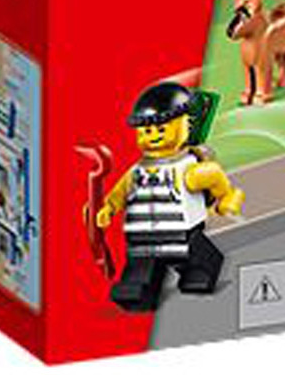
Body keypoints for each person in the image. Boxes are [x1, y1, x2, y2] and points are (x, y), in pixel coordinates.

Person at [88, 81, 243, 312]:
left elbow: (214, 176)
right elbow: (119, 193)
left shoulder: (186, 167)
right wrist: (109, 209)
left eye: (161, 130)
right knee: (141, 265)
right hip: (141, 236)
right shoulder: (137, 171)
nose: (153, 137)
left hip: (182, 231)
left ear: (186, 125)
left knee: (193, 257)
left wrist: (227, 197)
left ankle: (200, 271)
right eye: (146, 131)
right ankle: (138, 289)